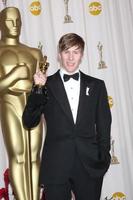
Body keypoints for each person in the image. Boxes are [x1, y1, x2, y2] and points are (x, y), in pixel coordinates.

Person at [23, 33, 112, 200]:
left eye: (76, 52)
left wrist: (103, 158)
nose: (71, 58)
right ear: (59, 55)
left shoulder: (97, 86)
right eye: (66, 52)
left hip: (89, 165)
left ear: (82, 55)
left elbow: (104, 126)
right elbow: (29, 121)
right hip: (56, 165)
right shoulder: (45, 84)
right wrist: (37, 89)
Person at [0, 7, 44, 200]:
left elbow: (42, 86)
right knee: (18, 156)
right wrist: (13, 76)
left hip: (33, 106)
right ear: (1, 23)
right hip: (9, 103)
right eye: (9, 21)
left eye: (18, 20)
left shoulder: (34, 53)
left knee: (35, 157)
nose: (15, 25)